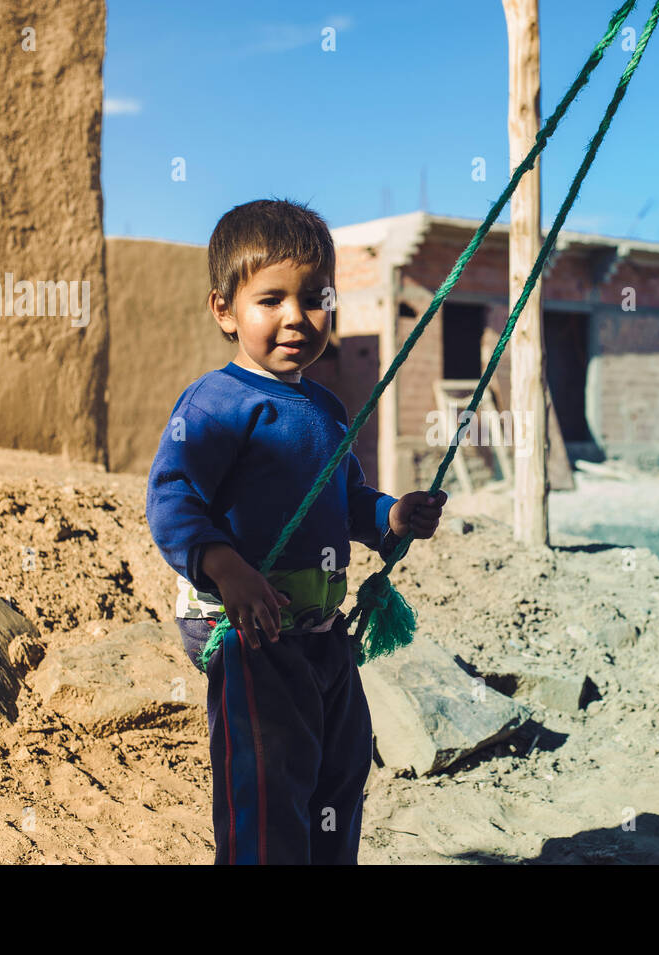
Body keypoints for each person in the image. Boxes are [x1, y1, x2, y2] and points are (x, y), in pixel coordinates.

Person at [146, 198, 446, 864]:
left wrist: (394, 517)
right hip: (247, 631)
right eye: (271, 299)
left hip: (319, 629)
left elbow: (350, 500)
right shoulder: (216, 404)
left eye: (314, 298)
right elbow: (171, 501)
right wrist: (227, 568)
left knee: (339, 770)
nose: (295, 317)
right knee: (266, 788)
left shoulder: (327, 407)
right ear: (224, 310)